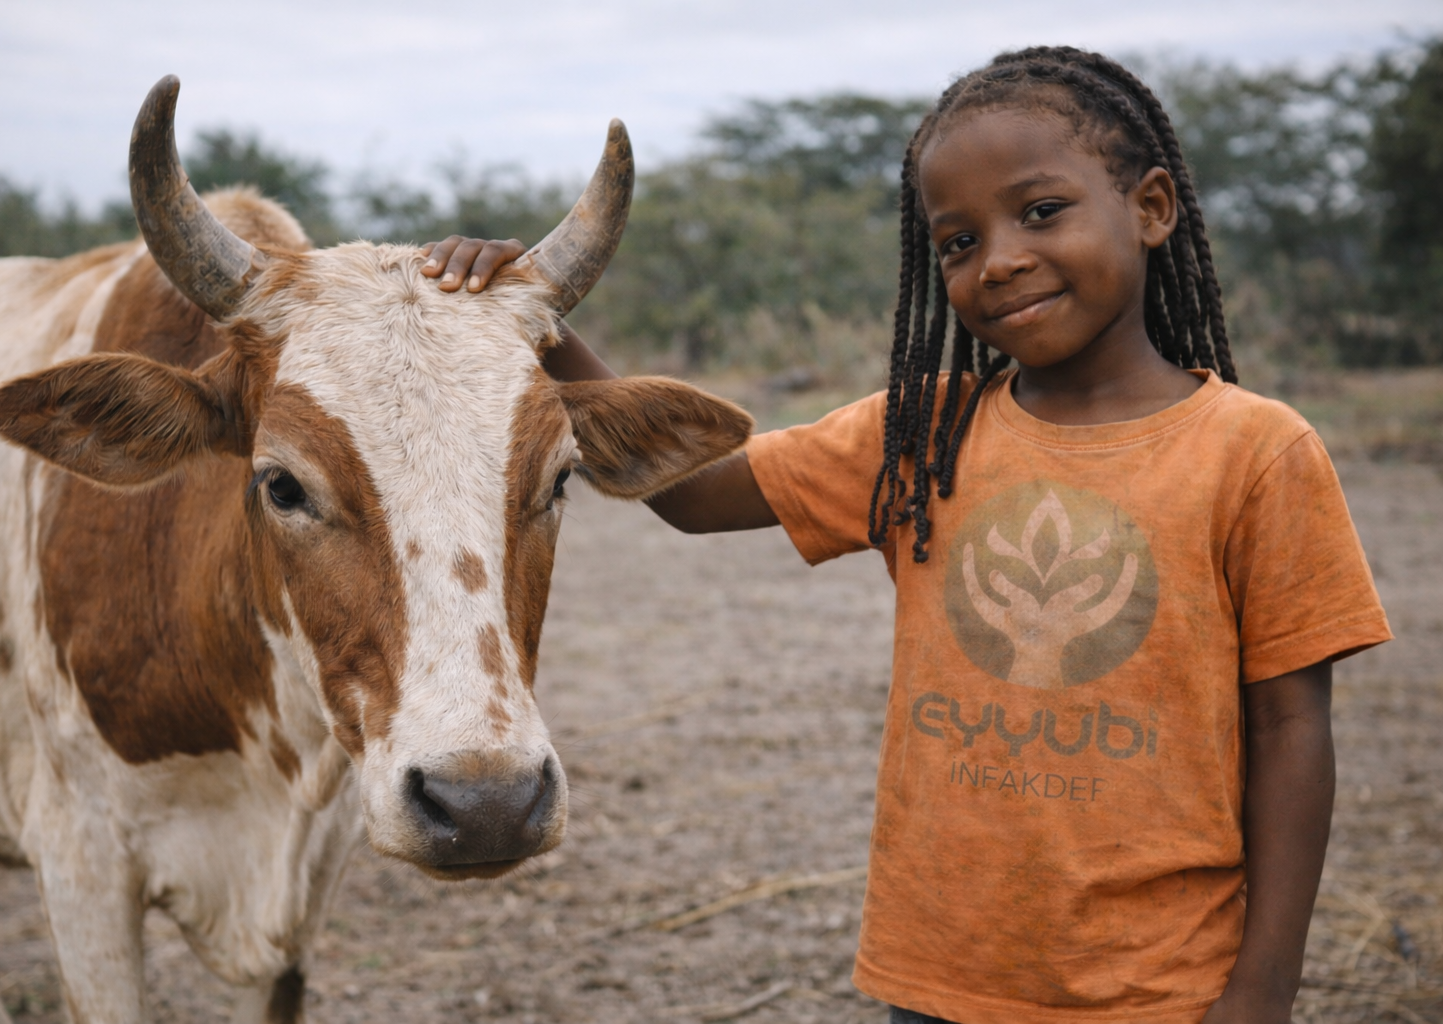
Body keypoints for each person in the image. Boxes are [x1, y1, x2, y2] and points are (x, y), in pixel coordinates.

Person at [420, 46, 1391, 1024]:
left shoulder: (1257, 453)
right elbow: (692, 492)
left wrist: (1264, 986)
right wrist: (534, 313)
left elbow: (1290, 728)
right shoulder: (924, 433)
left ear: (1151, 207)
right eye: (958, 241)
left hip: (1160, 987)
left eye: (1041, 211)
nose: (999, 259)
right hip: (937, 976)